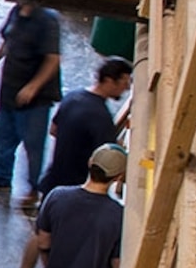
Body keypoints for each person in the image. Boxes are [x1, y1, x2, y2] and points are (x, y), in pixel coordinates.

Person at [0, 0, 63, 206]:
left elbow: (53, 59)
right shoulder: (16, 12)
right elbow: (7, 41)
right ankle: (0, 177)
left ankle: (33, 190)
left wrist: (33, 87)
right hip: (10, 89)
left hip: (35, 99)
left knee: (32, 144)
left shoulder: (47, 20)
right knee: (2, 136)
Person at [38, 56, 130, 196]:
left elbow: (53, 130)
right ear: (109, 81)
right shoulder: (100, 117)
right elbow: (108, 160)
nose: (127, 88)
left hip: (53, 181)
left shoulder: (72, 98)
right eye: (124, 82)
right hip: (75, 188)